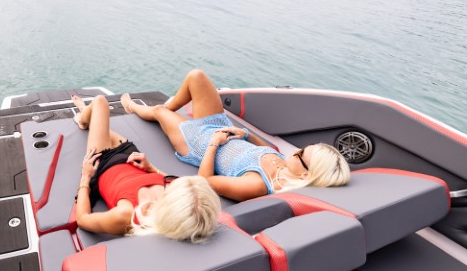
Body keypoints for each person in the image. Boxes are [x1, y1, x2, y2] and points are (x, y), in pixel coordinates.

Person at [120, 69, 351, 201]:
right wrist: (245, 134)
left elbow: (205, 181)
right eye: (303, 148)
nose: (296, 151)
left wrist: (213, 144)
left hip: (199, 144)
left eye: (301, 155)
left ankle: (137, 109)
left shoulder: (257, 185)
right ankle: (165, 113)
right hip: (223, 130)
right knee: (196, 77)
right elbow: (272, 151)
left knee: (159, 111)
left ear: (305, 175)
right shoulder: (286, 168)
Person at [72, 94, 220, 242]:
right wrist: (151, 168)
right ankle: (86, 116)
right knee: (99, 123)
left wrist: (85, 176)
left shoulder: (126, 215)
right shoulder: (181, 193)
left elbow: (83, 219)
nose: (178, 182)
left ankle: (83, 117)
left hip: (103, 162)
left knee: (100, 102)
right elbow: (172, 181)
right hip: (130, 156)